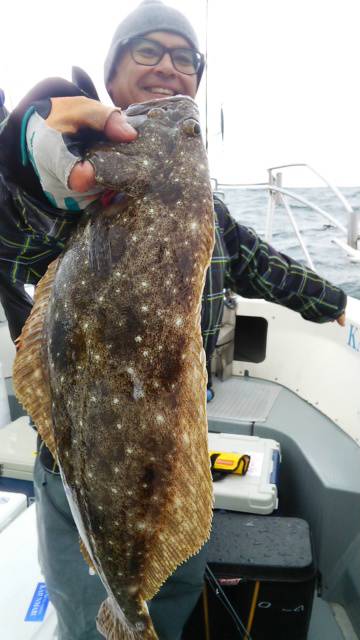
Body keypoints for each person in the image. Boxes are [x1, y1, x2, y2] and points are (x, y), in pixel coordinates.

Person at [0, 1, 346, 639]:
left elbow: (262, 265)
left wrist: (339, 303)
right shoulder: (72, 180)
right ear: (111, 77)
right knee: (87, 613)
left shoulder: (205, 210)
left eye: (185, 59)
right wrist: (15, 161)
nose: (169, 68)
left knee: (174, 597)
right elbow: (15, 233)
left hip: (173, 449)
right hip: (82, 447)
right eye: (148, 52)